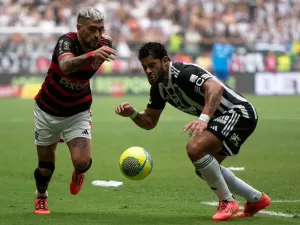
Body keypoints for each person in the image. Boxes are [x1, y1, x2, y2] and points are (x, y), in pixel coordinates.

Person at [115, 42, 271, 221]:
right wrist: (133, 114)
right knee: (204, 168)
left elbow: (216, 88)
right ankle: (256, 199)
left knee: (195, 149)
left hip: (238, 112)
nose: (148, 71)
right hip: (222, 118)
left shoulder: (184, 73)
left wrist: (203, 119)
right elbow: (149, 121)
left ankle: (227, 202)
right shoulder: (158, 88)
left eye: (152, 65)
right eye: (144, 67)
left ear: (165, 61)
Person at [33, 7, 116, 214]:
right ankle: (41, 196)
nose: (97, 35)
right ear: (79, 28)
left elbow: (108, 38)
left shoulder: (103, 43)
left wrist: (103, 41)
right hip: (47, 110)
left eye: (100, 29)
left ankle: (79, 173)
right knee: (45, 167)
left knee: (82, 161)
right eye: (92, 29)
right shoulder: (66, 41)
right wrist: (92, 55)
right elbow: (66, 66)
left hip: (78, 111)